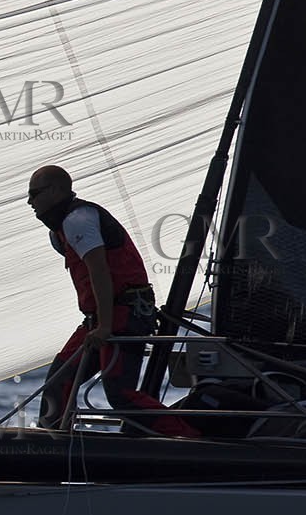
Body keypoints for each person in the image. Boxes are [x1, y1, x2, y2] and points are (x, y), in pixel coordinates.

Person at [27, 166, 199, 437]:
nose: (30, 202)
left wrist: (105, 327)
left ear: (56, 191)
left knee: (121, 394)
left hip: (123, 316)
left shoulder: (78, 220)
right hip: (100, 318)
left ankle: (190, 438)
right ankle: (54, 441)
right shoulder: (59, 232)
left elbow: (100, 271)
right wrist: (99, 324)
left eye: (34, 194)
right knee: (59, 380)